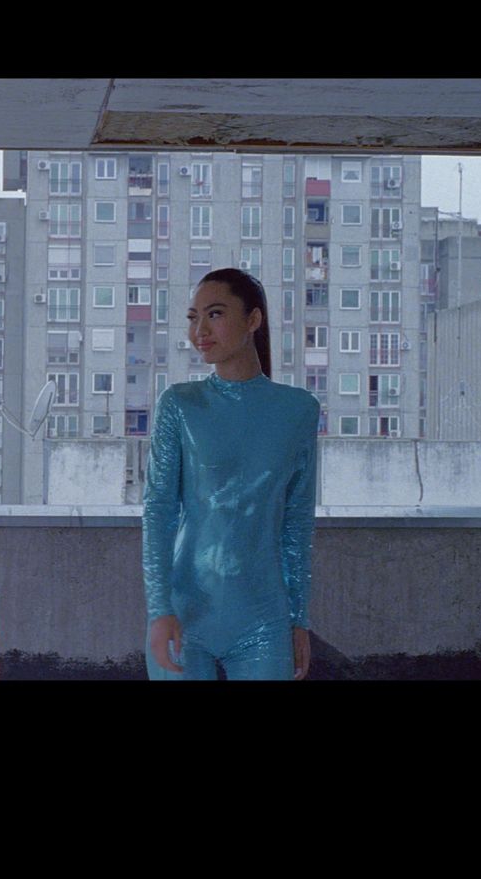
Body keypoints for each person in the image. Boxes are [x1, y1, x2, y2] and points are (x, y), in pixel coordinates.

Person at [142, 267, 320, 681]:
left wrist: (299, 618)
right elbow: (158, 512)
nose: (200, 329)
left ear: (253, 320)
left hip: (265, 619)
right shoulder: (180, 405)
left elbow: (296, 523)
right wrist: (159, 610)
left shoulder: (298, 411)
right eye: (192, 317)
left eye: (215, 314)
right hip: (185, 616)